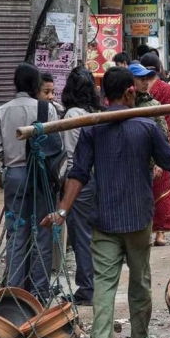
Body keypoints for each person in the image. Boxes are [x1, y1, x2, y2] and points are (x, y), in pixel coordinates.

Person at [41, 66, 170, 338]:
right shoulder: (146, 127)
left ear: (104, 95)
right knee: (139, 282)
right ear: (129, 92)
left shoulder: (92, 128)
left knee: (104, 285)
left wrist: (64, 210)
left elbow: (78, 174)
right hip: (137, 218)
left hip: (104, 219)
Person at [0, 63, 57, 302]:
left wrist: (11, 154)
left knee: (16, 233)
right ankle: (39, 294)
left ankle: (15, 293)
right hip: (41, 177)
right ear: (36, 85)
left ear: (15, 84)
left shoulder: (1, 111)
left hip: (14, 176)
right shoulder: (46, 109)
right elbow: (55, 146)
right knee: (42, 233)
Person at [60, 67, 102, 305]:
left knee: (81, 237)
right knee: (94, 236)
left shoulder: (72, 115)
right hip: (98, 179)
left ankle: (87, 288)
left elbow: (70, 157)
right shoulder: (96, 112)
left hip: (79, 181)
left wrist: (67, 189)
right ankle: (95, 285)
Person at [137, 54, 170, 248]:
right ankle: (160, 233)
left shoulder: (135, 90)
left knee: (141, 187)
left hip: (138, 143)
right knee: (163, 188)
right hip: (163, 142)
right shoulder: (169, 91)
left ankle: (142, 230)